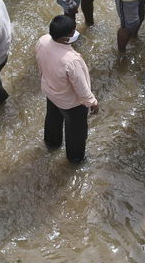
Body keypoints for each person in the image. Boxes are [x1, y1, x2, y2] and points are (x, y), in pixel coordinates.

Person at [35, 16, 99, 163]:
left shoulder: (43, 41)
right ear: (64, 39)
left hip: (50, 91)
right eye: (73, 31)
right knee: (76, 131)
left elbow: (40, 65)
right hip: (71, 103)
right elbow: (81, 87)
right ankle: (75, 158)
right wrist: (93, 102)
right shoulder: (71, 60)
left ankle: (52, 143)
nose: (75, 32)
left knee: (53, 118)